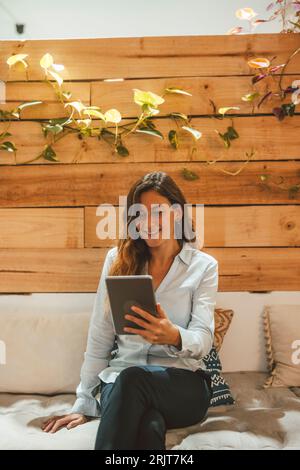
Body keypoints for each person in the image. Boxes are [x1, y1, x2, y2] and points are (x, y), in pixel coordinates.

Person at [41, 171, 218, 450]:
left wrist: (174, 336)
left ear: (177, 213)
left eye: (158, 212)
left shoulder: (204, 266)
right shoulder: (117, 260)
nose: (148, 223)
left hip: (182, 386)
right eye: (140, 215)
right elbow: (99, 337)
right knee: (150, 424)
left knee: (133, 379)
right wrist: (84, 403)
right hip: (122, 383)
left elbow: (204, 338)